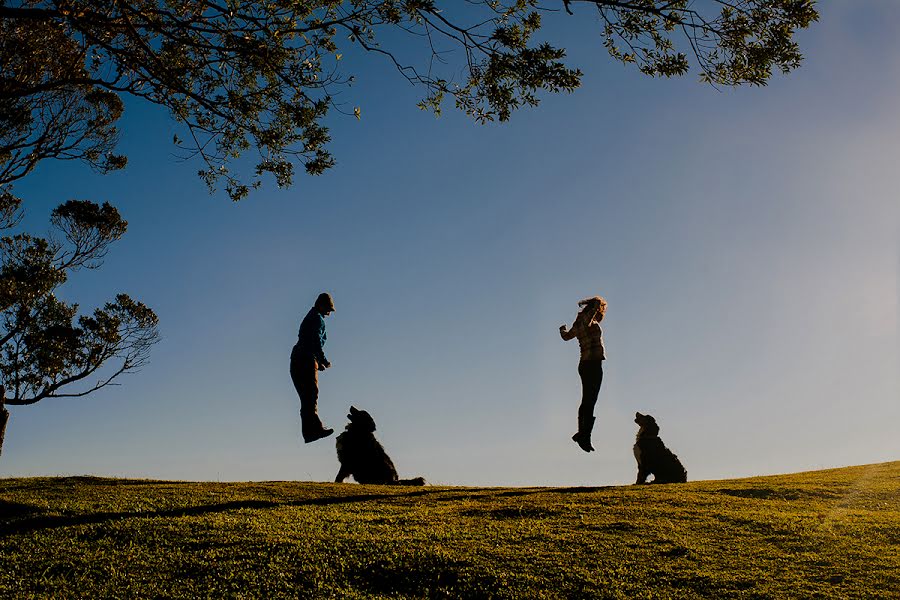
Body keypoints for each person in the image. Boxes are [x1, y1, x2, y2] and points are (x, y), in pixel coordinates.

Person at [559, 296, 607, 453]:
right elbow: (588, 317)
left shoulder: (578, 323)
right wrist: (597, 302)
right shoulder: (585, 319)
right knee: (589, 401)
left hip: (587, 364)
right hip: (591, 364)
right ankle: (583, 436)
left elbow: (567, 337)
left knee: (588, 401)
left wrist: (562, 329)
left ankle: (584, 435)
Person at [290, 292, 336, 443]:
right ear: (321, 305)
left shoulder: (313, 317)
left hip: (300, 359)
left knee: (308, 397)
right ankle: (313, 431)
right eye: (328, 308)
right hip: (304, 359)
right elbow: (314, 341)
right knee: (310, 395)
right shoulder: (316, 318)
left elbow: (310, 341)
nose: (329, 312)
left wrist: (318, 361)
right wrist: (323, 359)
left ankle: (311, 432)